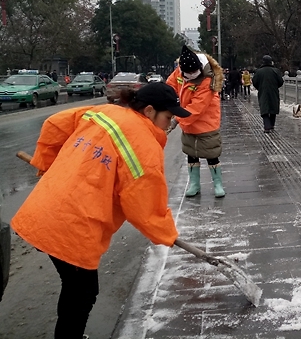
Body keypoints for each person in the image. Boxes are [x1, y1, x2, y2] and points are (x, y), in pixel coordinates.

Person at [10, 82, 189, 339]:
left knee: (76, 287)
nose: (169, 125)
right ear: (149, 111)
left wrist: (46, 161)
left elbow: (54, 124)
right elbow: (144, 204)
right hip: (71, 224)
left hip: (47, 207)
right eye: (168, 118)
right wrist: (166, 234)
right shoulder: (142, 143)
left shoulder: (104, 112)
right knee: (82, 291)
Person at [167, 45, 225, 198]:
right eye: (189, 73)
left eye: (194, 72)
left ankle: (218, 183)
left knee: (211, 153)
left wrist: (175, 121)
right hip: (188, 121)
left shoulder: (207, 80)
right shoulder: (180, 71)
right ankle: (194, 184)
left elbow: (197, 108)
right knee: (191, 153)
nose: (192, 75)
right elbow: (170, 87)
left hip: (206, 121)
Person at [252, 55, 284, 133]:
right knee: (273, 108)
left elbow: (254, 82)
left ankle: (267, 126)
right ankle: (272, 125)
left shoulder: (259, 72)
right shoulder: (276, 71)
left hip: (263, 92)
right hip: (274, 92)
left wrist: (260, 87)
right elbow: (281, 82)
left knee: (264, 109)